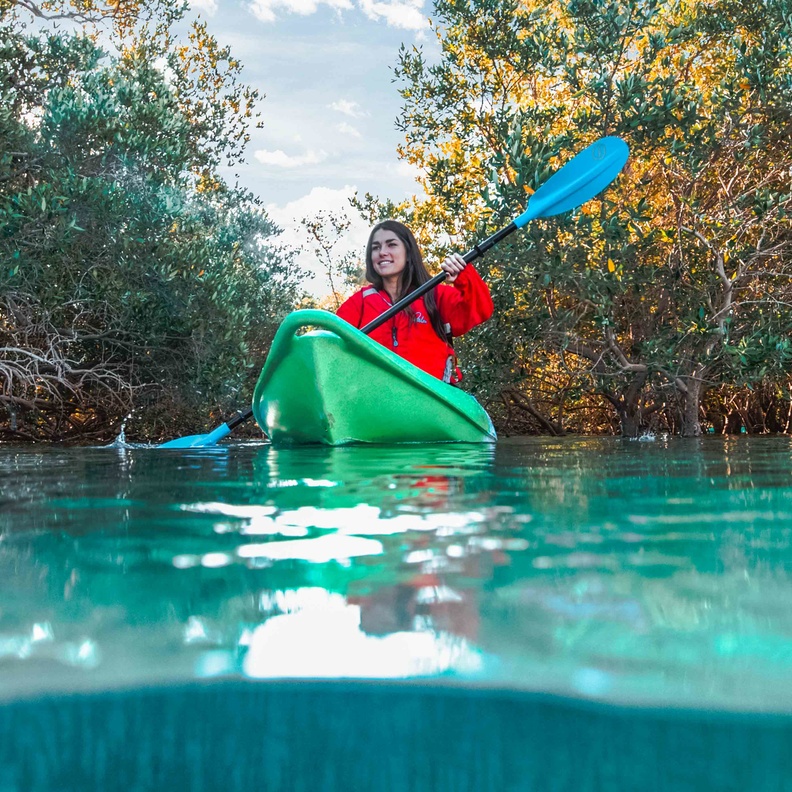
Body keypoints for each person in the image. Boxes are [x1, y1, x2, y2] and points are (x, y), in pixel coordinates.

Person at [337, 220, 493, 383]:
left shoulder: (434, 295)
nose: (382, 252)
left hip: (428, 398)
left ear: (408, 253)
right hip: (377, 398)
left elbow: (480, 309)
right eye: (375, 247)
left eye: (391, 245)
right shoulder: (360, 302)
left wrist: (463, 274)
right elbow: (332, 341)